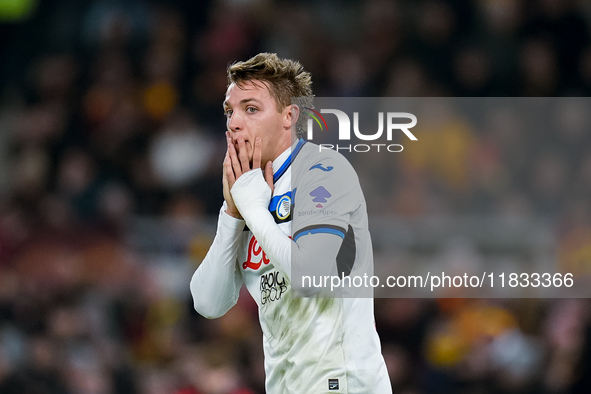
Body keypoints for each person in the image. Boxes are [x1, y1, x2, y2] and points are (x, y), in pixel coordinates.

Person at [190, 53, 391, 393]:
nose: (235, 123)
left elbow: (309, 277)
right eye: (230, 111)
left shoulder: (323, 170)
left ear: (289, 116)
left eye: (251, 109)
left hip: (340, 380)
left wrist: (253, 209)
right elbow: (208, 303)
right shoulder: (250, 192)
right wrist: (232, 214)